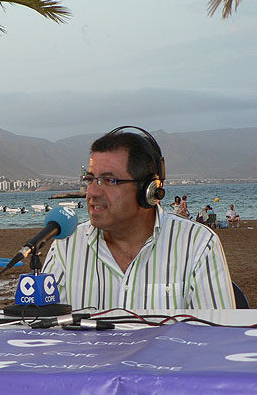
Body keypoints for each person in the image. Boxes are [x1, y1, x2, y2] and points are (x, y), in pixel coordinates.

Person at [42, 126, 235, 310]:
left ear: (148, 190)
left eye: (108, 180)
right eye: (90, 179)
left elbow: (218, 330)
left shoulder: (198, 244)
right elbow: (43, 327)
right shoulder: (67, 245)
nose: (91, 192)